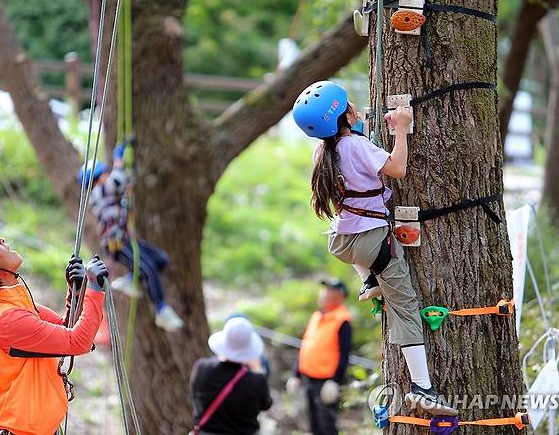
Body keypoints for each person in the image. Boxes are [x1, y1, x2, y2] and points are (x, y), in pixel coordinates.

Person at [291, 80, 457, 416]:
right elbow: (396, 168)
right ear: (345, 115)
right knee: (405, 305)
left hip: (343, 242)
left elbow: (352, 155)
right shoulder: (356, 146)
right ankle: (422, 388)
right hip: (371, 241)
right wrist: (401, 131)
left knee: (381, 279)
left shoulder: (323, 151)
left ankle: (369, 281)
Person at [0, 223, 109, 435]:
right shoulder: (8, 319)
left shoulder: (12, 304)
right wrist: (95, 290)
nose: (1, 241)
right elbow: (78, 341)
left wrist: (76, 292)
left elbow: (65, 328)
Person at [78, 140, 184, 332]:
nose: (108, 175)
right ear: (98, 178)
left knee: (160, 259)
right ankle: (161, 310)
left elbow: (125, 181)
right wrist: (118, 159)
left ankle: (129, 280)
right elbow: (117, 180)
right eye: (105, 174)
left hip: (125, 240)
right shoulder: (98, 192)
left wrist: (129, 165)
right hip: (116, 243)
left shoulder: (107, 191)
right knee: (148, 268)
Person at [286, 278, 352, 435]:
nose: (324, 294)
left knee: (326, 426)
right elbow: (306, 345)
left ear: (340, 296)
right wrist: (296, 374)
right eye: (324, 290)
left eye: (329, 290)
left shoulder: (343, 321)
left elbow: (345, 354)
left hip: (325, 382)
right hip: (308, 378)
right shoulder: (317, 316)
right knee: (313, 424)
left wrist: (335, 381)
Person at [190, 317, 273, 435]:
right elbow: (266, 404)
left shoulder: (201, 368)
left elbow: (195, 395)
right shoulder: (256, 380)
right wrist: (258, 370)